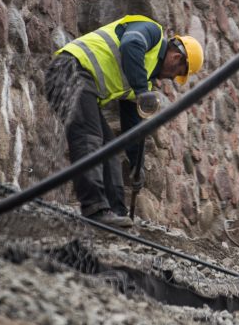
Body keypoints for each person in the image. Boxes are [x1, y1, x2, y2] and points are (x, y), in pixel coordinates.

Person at [45, 15, 203, 227]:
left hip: (81, 83)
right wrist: (140, 91)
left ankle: (116, 215)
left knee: (110, 149)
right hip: (69, 70)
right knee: (89, 137)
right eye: (178, 73)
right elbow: (131, 44)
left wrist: (137, 166)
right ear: (176, 57)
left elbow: (132, 127)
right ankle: (95, 209)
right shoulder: (152, 33)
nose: (172, 78)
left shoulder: (144, 79)